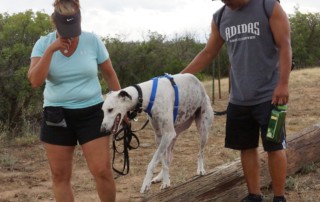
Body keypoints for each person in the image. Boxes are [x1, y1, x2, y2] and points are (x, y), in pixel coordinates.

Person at [181, 0, 291, 202]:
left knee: (275, 146)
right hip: (239, 100)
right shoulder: (220, 17)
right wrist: (178, 78)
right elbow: (208, 53)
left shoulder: (269, 6)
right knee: (246, 147)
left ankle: (279, 197)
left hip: (272, 98)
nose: (225, 1)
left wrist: (283, 84)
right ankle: (254, 195)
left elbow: (285, 45)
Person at [27, 0, 119, 201]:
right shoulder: (43, 44)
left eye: (73, 28)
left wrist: (120, 107)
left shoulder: (92, 41)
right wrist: (51, 50)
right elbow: (34, 80)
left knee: (102, 170)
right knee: (60, 175)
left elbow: (110, 75)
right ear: (55, 23)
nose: (70, 33)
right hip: (56, 115)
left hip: (92, 112)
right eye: (65, 29)